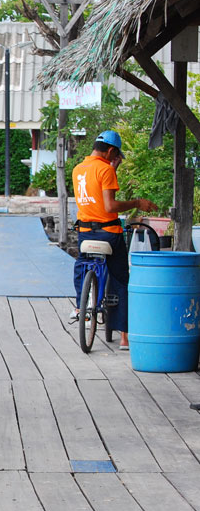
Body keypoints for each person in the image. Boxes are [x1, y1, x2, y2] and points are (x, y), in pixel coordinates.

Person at [72, 130, 158, 349]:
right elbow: (109, 206)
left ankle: (81, 306)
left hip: (85, 233)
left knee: (82, 265)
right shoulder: (105, 170)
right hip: (109, 234)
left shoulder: (79, 169)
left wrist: (113, 169)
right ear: (111, 151)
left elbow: (95, 194)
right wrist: (137, 202)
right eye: (114, 156)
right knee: (121, 279)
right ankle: (124, 336)